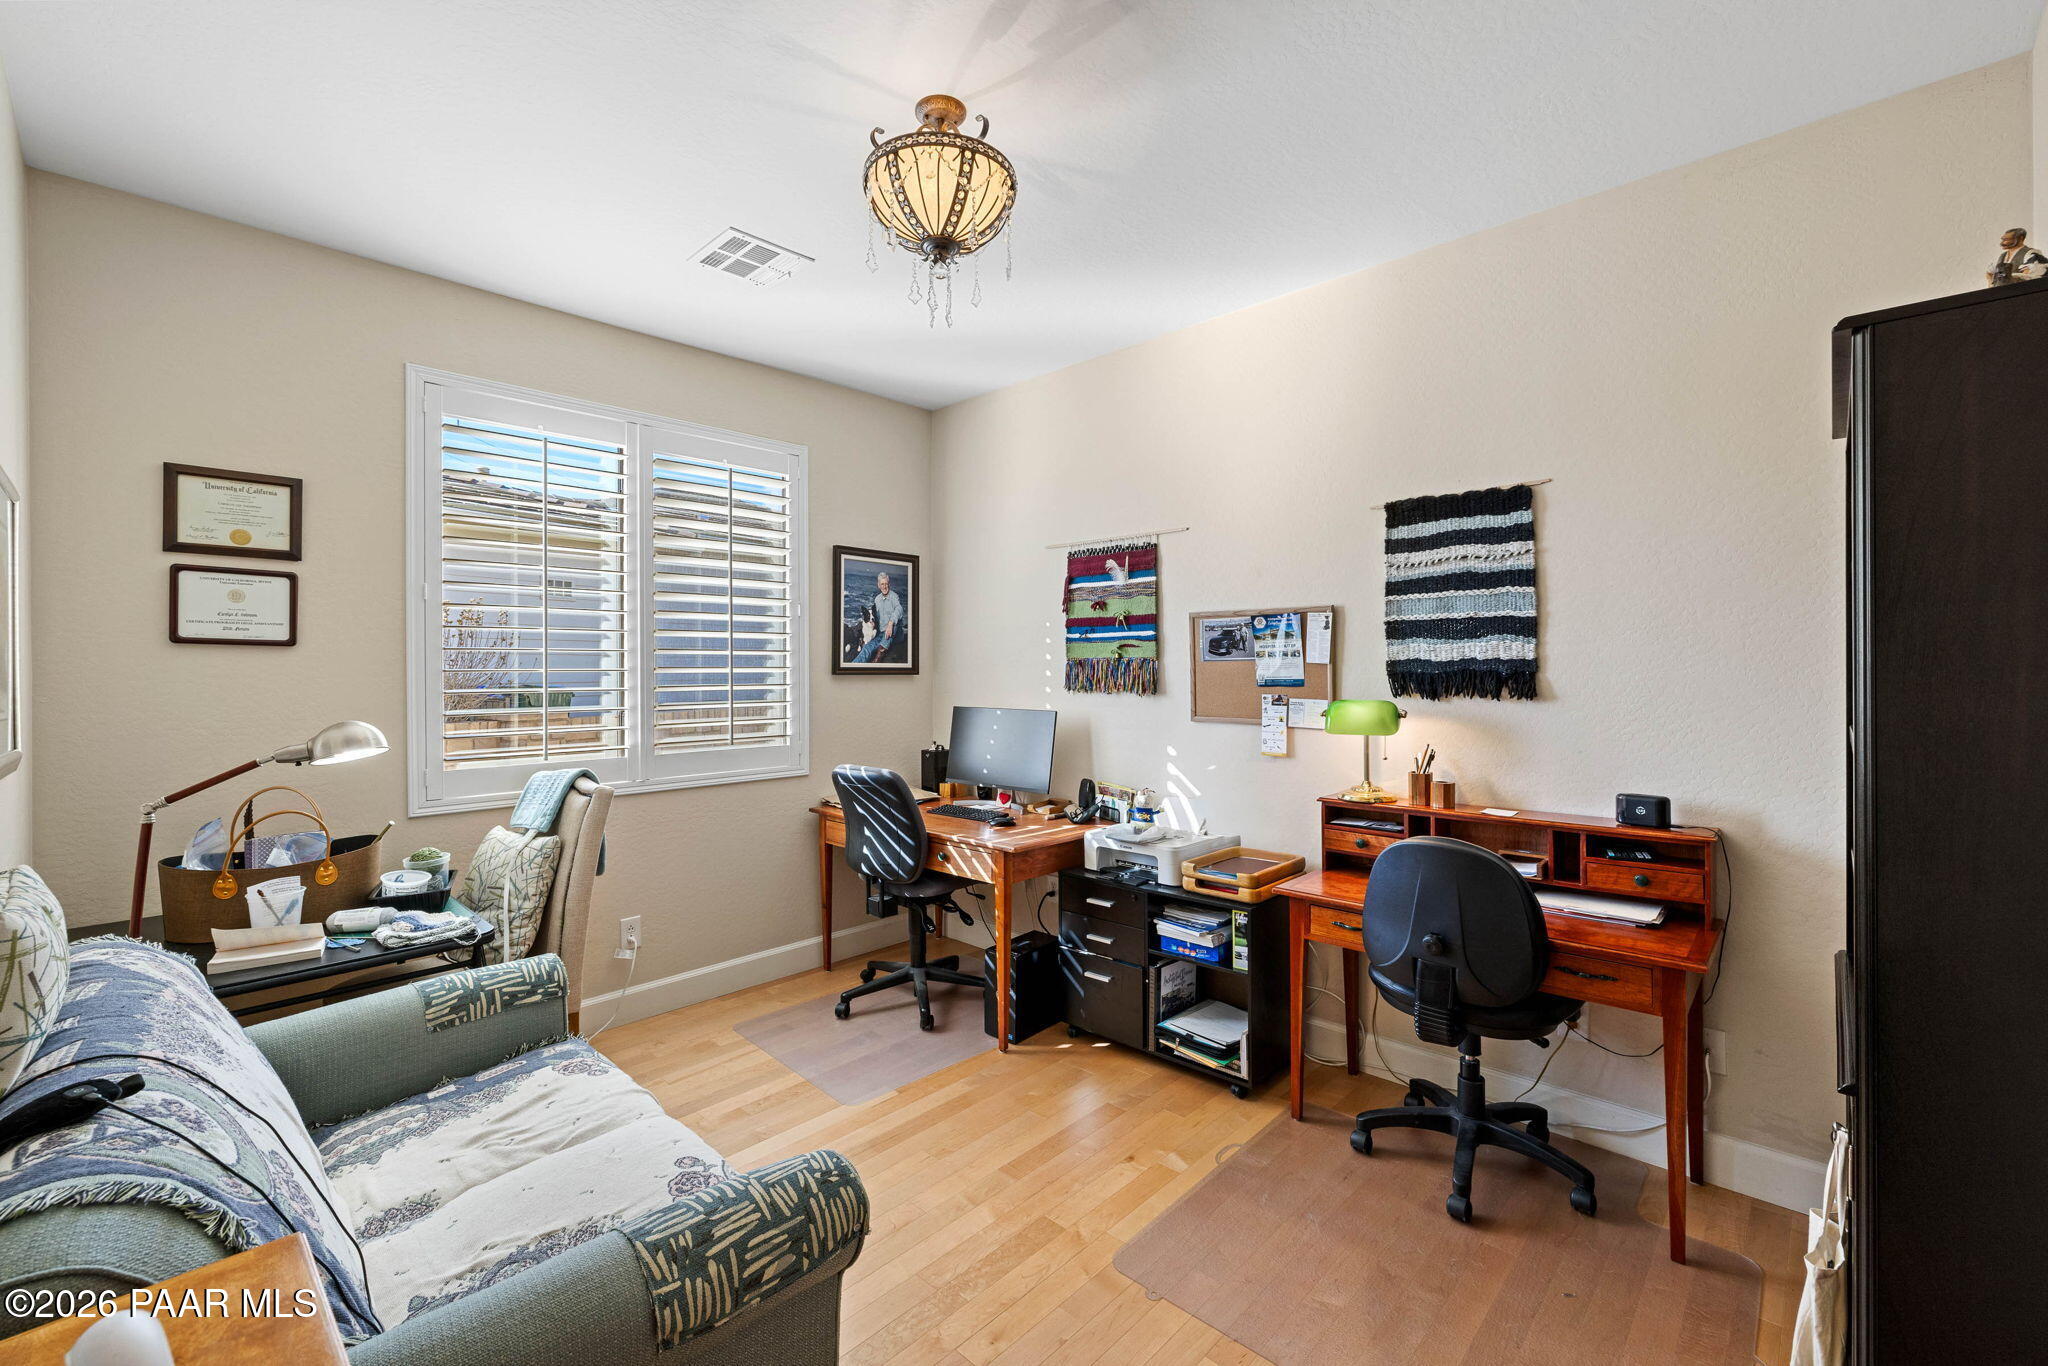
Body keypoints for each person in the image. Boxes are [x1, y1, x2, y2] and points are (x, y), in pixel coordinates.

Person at [852, 570, 905, 663]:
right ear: (878, 585)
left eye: (886, 584)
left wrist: (890, 623)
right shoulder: (877, 599)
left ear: (889, 584)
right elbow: (873, 617)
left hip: (895, 634)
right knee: (867, 648)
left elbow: (899, 609)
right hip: (881, 634)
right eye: (882, 584)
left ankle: (878, 658)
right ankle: (852, 666)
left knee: (894, 624)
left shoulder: (894, 597)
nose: (884, 586)